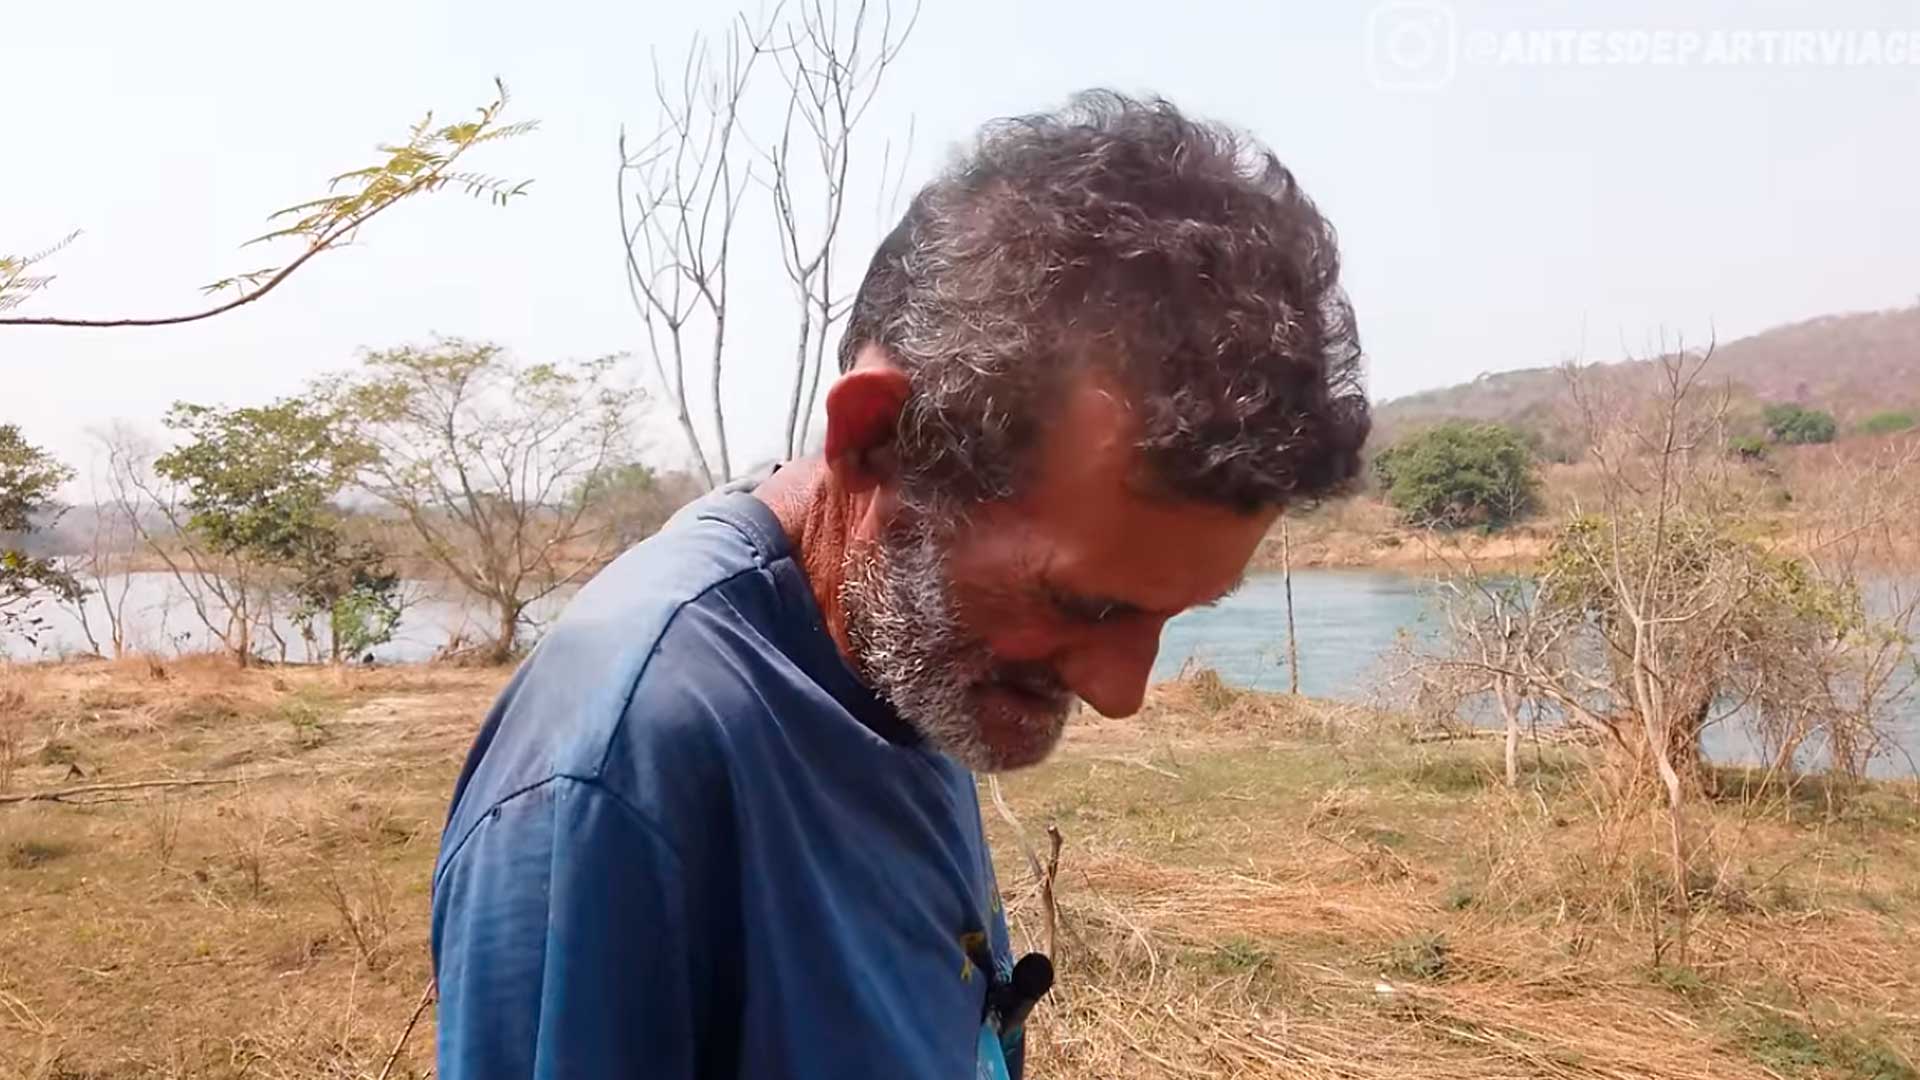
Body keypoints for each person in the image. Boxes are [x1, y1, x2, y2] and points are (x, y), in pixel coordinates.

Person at [430, 89, 1370, 1079]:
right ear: (880, 441)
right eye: (1083, 603)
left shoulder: (899, 651)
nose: (1121, 694)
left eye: (1172, 615)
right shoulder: (619, 774)